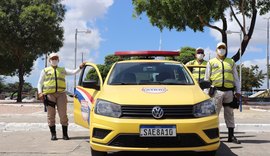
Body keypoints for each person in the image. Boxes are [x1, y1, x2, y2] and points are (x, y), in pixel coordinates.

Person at [37, 53, 85, 141]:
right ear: (49, 60)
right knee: (51, 115)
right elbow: (40, 83)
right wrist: (40, 93)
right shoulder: (45, 70)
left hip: (61, 94)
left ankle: (65, 134)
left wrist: (80, 67)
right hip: (49, 95)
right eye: (52, 58)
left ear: (58, 60)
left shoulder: (62, 70)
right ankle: (53, 134)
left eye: (56, 58)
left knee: (63, 115)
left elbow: (74, 72)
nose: (54, 60)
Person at [204, 42, 241, 144]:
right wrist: (206, 93)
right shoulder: (211, 62)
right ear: (216, 50)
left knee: (230, 114)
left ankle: (231, 136)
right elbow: (206, 79)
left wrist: (238, 91)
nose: (221, 50)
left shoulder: (231, 62)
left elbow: (236, 78)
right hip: (216, 92)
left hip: (229, 92)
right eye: (220, 48)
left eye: (223, 48)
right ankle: (214, 136)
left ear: (226, 49)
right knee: (214, 114)